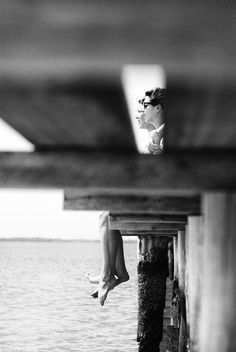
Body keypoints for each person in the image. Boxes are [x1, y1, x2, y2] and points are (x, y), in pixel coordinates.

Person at [88, 87, 166, 306]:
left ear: (157, 107)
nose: (143, 109)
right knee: (107, 213)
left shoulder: (165, 132)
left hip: (160, 200)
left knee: (106, 215)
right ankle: (115, 273)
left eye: (146, 106)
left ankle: (109, 274)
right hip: (156, 194)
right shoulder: (159, 132)